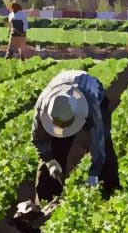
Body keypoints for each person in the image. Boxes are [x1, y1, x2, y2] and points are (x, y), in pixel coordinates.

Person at [32, 69, 119, 199]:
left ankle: (110, 191)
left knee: (105, 145)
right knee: (55, 151)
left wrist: (93, 173)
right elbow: (38, 139)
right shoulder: (43, 106)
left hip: (91, 94)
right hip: (61, 85)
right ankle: (47, 198)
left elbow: (98, 141)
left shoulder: (91, 104)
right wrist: (50, 161)